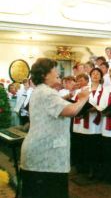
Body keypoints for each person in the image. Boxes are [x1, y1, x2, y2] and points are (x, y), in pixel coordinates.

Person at [20, 58, 90, 198]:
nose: (58, 72)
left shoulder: (42, 90)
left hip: (41, 153)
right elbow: (70, 110)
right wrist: (83, 98)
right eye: (54, 70)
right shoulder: (47, 93)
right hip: (45, 156)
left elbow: (58, 102)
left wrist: (70, 94)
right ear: (45, 75)